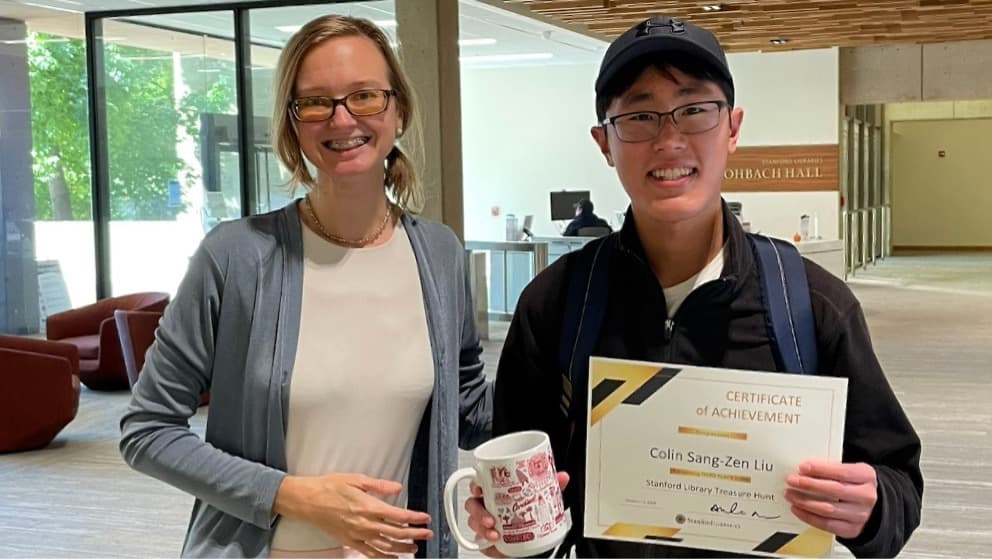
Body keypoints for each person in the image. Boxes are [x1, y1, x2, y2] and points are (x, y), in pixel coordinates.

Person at [465, 14, 922, 558]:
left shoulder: (810, 304)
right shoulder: (557, 303)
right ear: (604, 142)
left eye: (696, 110)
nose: (670, 139)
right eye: (639, 116)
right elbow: (528, 493)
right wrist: (506, 527)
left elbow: (898, 488)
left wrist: (870, 508)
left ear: (732, 128)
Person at [120, 15, 492, 559]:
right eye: (316, 102)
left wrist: (580, 388)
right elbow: (146, 430)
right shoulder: (236, 256)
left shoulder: (438, 253)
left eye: (364, 95)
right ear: (293, 123)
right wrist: (292, 496)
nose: (342, 120)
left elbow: (467, 406)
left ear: (399, 109)